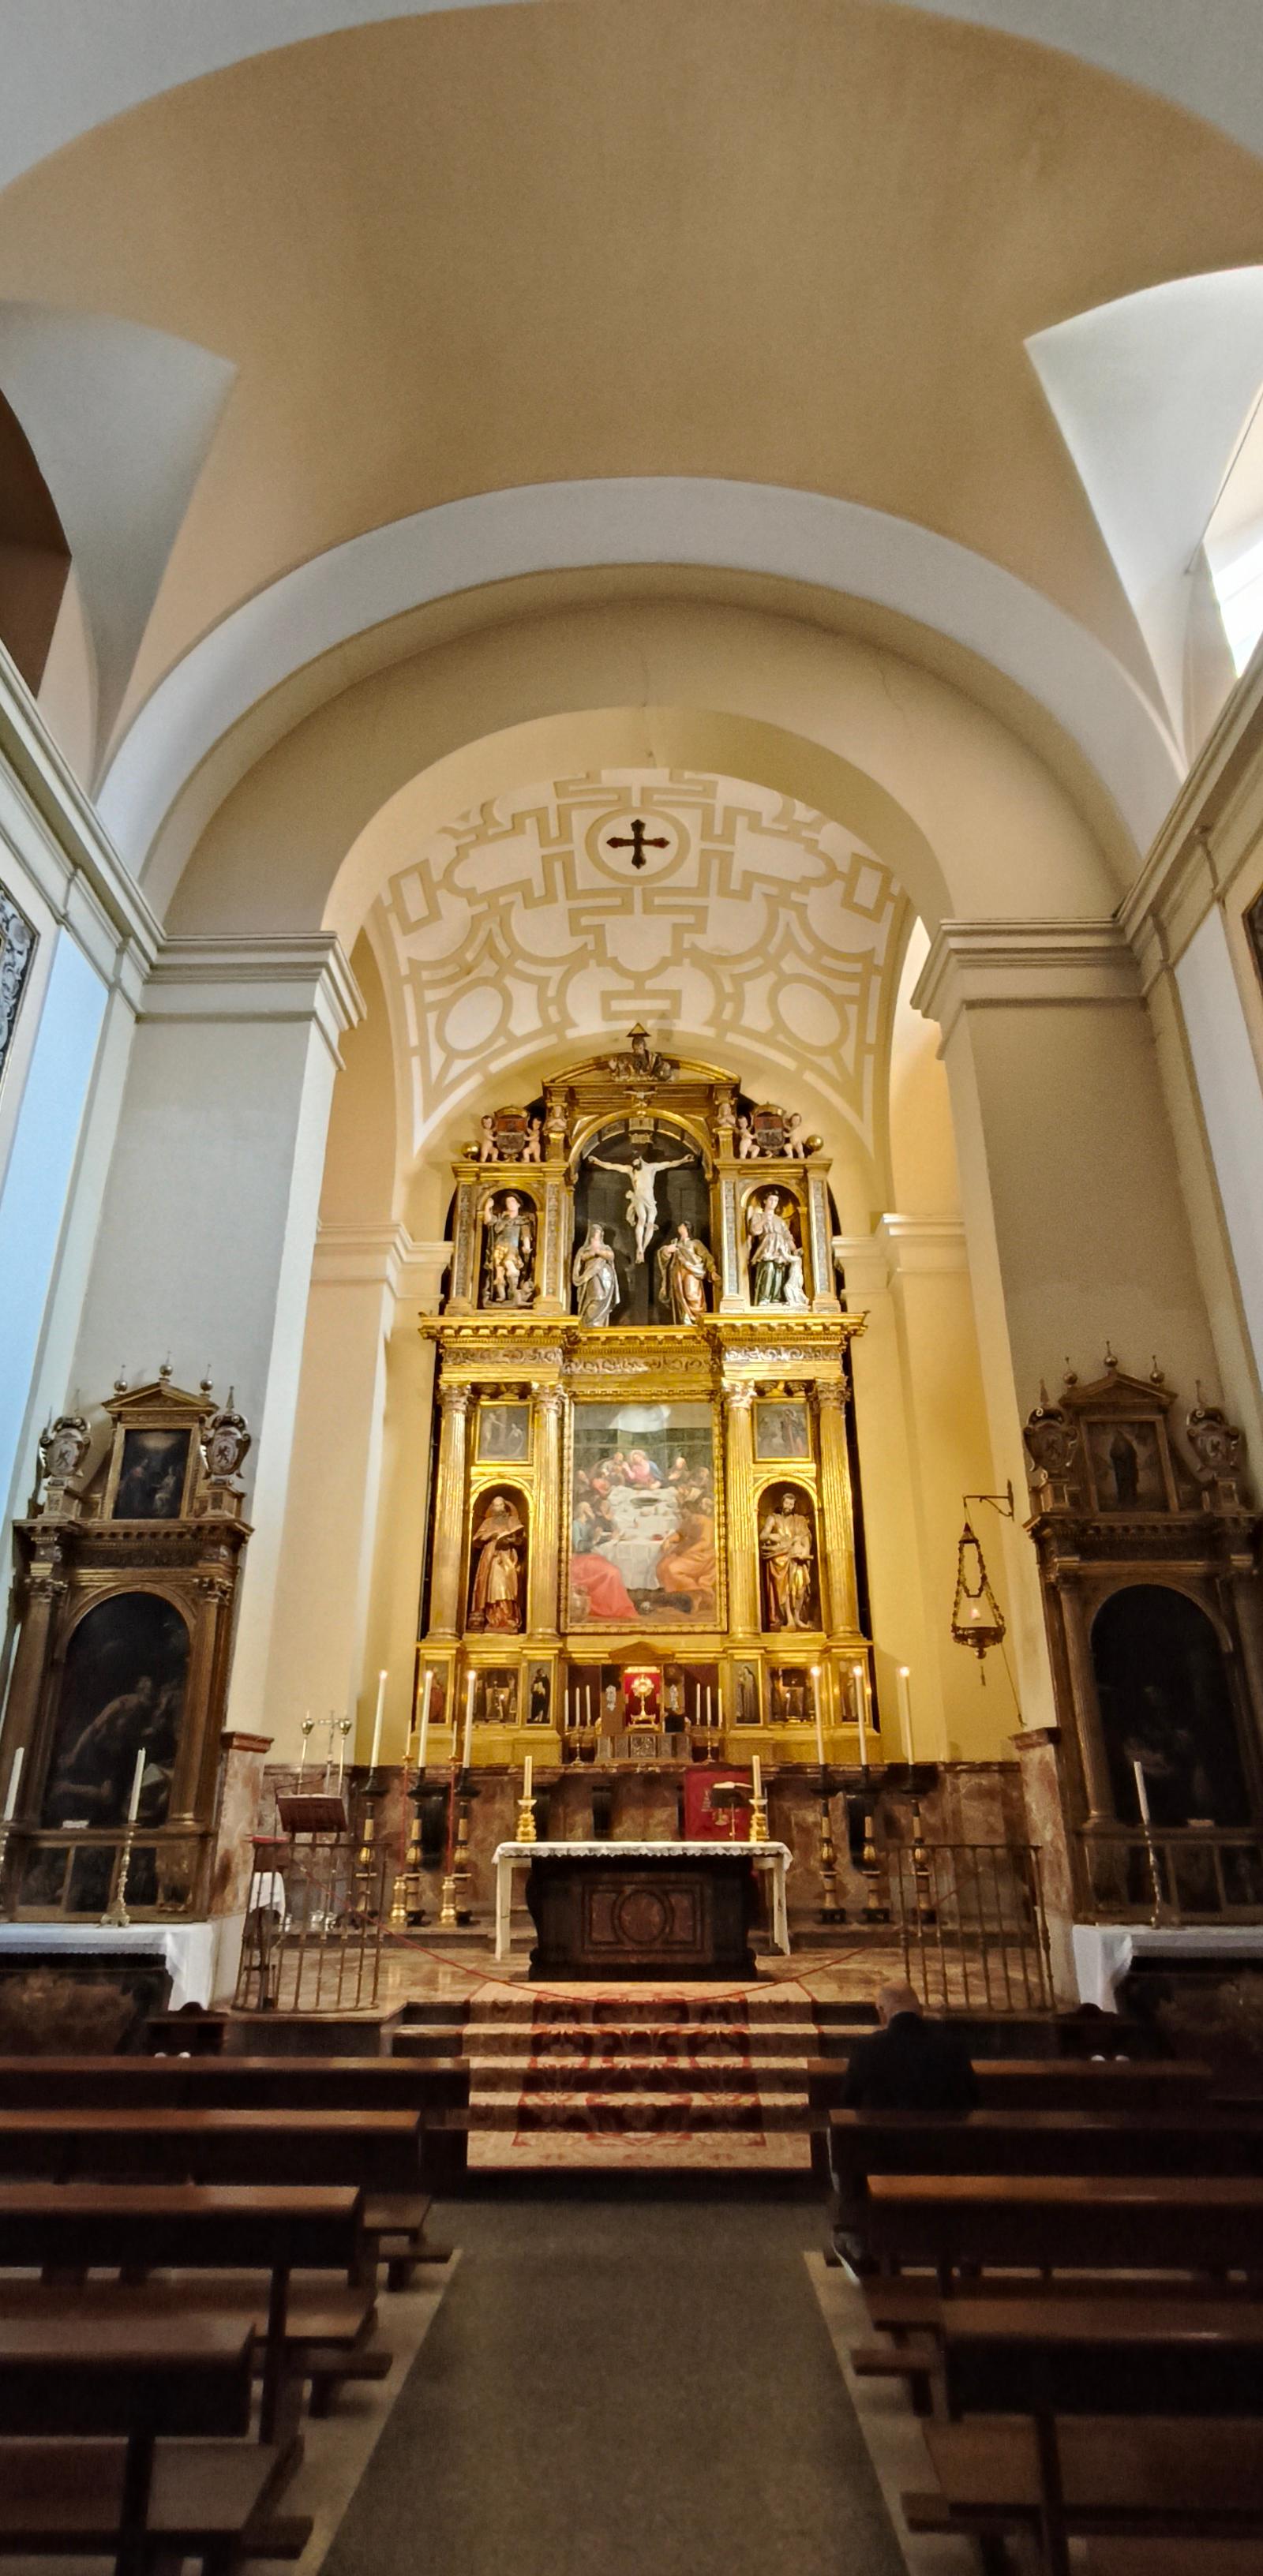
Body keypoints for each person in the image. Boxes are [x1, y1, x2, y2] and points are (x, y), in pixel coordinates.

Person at [829, 1983, 980, 2271]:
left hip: (884, 2156)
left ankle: (853, 2229)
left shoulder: (867, 2049)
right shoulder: (952, 2048)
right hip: (946, 2155)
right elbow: (974, 2100)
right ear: (920, 2009)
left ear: (882, 2013)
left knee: (839, 2134)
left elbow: (848, 2101)